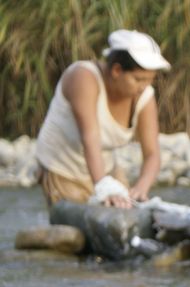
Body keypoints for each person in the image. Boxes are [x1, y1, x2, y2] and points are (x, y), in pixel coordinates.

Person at [35, 30, 170, 209]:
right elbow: (90, 138)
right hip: (63, 169)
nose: (144, 87)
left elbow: (152, 154)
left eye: (149, 80)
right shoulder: (83, 77)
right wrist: (104, 187)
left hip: (105, 168)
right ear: (116, 70)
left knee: (127, 216)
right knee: (75, 233)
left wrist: (140, 189)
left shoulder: (145, 96)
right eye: (138, 79)